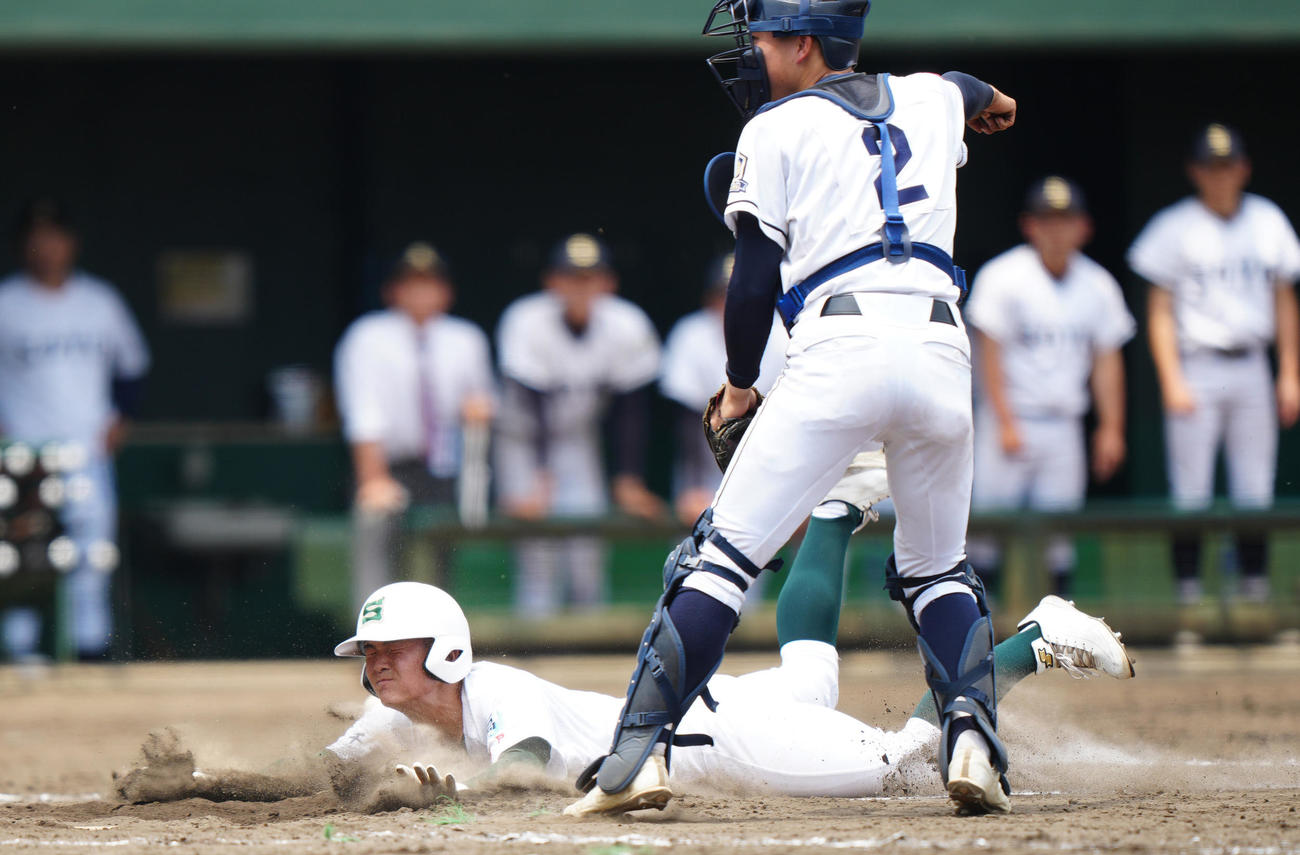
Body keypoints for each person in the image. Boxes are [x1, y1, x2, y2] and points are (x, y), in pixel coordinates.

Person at [114, 453, 1134, 811]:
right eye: (368, 655)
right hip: (702, 714)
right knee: (812, 673)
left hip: (724, 741)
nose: (374, 667)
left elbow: (520, 774)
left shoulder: (494, 695)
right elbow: (319, 776)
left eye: (390, 651)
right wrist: (200, 785)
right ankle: (832, 512)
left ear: (445, 653)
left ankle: (1029, 641)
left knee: (907, 767)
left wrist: (435, 799)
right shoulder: (398, 723)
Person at [572, 0, 1020, 816]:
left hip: (838, 346)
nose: (753, 52)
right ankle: (972, 740)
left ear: (806, 43)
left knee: (717, 562)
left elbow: (750, 284)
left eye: (766, 37)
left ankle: (638, 754)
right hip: (939, 348)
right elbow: (965, 86)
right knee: (936, 570)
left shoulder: (774, 127)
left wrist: (741, 383)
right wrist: (994, 102)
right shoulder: (929, 93)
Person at [1128, 124, 1300, 614]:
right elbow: (1159, 310)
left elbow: (1284, 300)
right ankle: (1188, 602)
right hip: (1197, 365)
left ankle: (1254, 597)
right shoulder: (1174, 225)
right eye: (1211, 167)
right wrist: (1171, 379)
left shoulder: (1267, 219)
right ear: (1195, 172)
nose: (1220, 175)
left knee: (1255, 488)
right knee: (1191, 491)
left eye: (1228, 166)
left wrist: (1289, 372)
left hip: (1252, 364)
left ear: (1243, 168)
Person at [966, 177, 1135, 598]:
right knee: (987, 533)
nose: (1056, 230)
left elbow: (1107, 361)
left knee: (1060, 538)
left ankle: (1056, 628)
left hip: (1064, 423)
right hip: (1009, 418)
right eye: (1048, 220)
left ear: (1084, 227)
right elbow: (988, 355)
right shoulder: (1003, 275)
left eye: (1065, 220)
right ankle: (983, 623)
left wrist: (1111, 428)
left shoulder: (1098, 284)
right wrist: (1005, 421)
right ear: (1030, 225)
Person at [0, 197, 150, 662]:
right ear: (23, 245)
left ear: (71, 243)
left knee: (91, 553)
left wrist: (119, 420)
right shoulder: (7, 302)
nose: (48, 247)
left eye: (56, 237)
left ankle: (90, 649)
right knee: (21, 555)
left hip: (86, 448)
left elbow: (133, 368)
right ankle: (20, 652)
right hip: (22, 452)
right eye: (37, 238)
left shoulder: (99, 301)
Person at [494, 233, 665, 617]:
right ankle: (535, 644)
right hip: (522, 442)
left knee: (588, 549)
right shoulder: (525, 319)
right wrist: (539, 481)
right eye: (571, 277)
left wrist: (629, 479)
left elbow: (631, 408)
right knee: (537, 555)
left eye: (591, 277)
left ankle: (588, 642)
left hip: (577, 439)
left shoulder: (626, 323)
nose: (581, 287)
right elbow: (534, 403)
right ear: (551, 281)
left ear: (609, 282)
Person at [333, 242, 495, 610]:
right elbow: (364, 413)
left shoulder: (466, 338)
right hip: (387, 465)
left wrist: (478, 410)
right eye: (411, 284)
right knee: (377, 545)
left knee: (439, 569)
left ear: (446, 292)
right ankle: (371, 636)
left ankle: (438, 640)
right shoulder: (367, 336)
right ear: (392, 290)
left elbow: (483, 402)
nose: (421, 293)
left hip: (445, 469)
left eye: (430, 284)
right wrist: (373, 478)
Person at [660, 254, 786, 525]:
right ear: (710, 299)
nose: (735, 304)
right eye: (725, 295)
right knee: (702, 545)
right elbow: (687, 420)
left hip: (774, 463)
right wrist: (693, 486)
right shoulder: (692, 335)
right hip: (706, 464)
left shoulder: (784, 334)